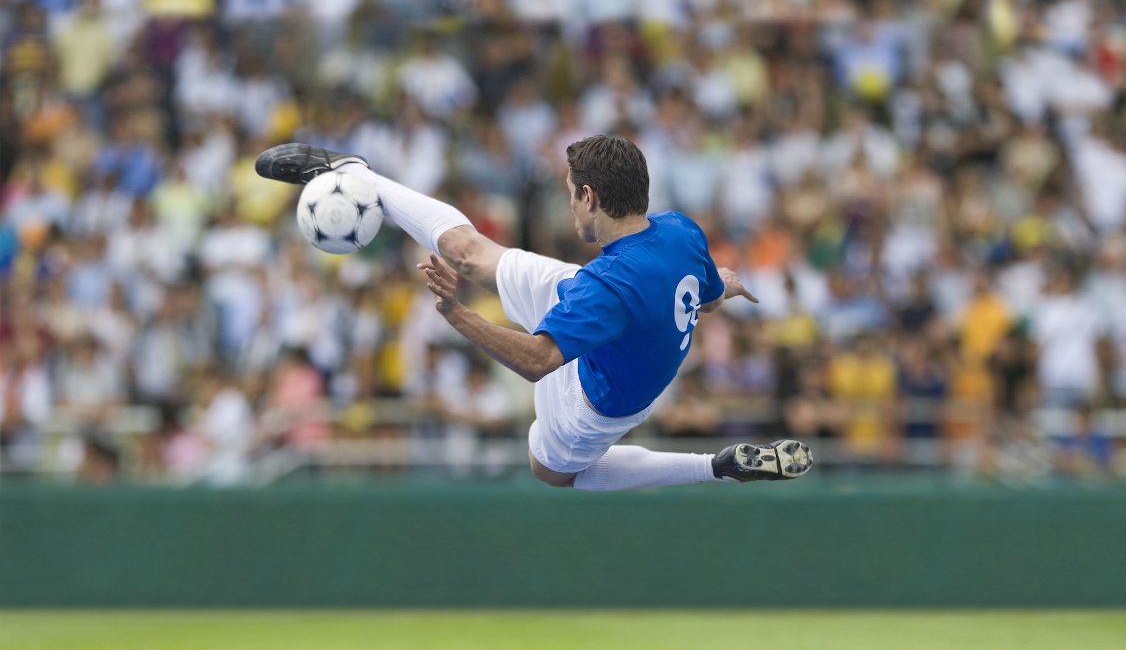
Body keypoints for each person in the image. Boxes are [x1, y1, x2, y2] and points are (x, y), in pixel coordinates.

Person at [255, 138, 813, 489]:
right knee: (470, 251)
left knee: (551, 472)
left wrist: (457, 313)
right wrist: (728, 286)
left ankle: (714, 468)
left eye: (571, 193)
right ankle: (362, 176)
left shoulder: (604, 285)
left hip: (591, 400)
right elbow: (708, 293)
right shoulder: (681, 231)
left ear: (590, 197)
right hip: (601, 315)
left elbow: (540, 361)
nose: (569, 204)